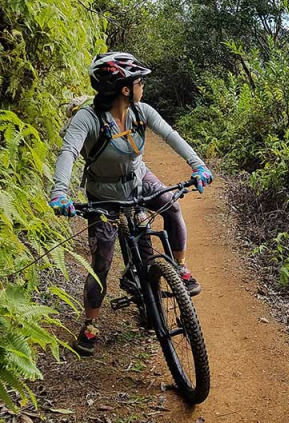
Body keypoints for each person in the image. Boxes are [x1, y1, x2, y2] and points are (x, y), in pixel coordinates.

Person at [49, 52, 213, 356]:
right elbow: (69, 152)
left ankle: (181, 267)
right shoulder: (89, 118)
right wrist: (60, 191)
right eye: (139, 81)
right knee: (102, 262)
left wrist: (198, 166)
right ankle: (90, 324)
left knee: (171, 206)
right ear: (125, 88)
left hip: (138, 178)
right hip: (104, 194)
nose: (143, 86)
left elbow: (171, 136)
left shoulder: (142, 111)